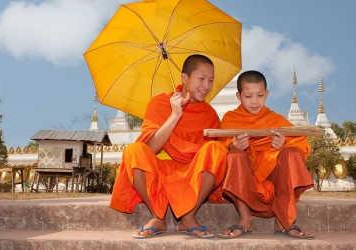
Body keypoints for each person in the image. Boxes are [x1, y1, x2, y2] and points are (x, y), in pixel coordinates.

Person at [110, 54, 227, 239]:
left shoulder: (209, 114)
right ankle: (158, 216)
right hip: (159, 171)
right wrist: (174, 116)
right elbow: (149, 149)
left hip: (190, 173)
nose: (207, 85)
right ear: (184, 78)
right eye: (201, 78)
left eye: (211, 80)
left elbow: (211, 157)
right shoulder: (159, 103)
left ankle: (188, 217)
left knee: (217, 150)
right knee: (134, 151)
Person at [215, 70, 315, 239]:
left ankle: (284, 220)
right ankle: (245, 219)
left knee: (291, 152)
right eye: (248, 96)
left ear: (266, 94)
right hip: (246, 181)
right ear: (239, 96)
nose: (255, 101)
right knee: (235, 156)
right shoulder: (231, 119)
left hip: (272, 180)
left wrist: (283, 144)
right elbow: (218, 149)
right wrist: (233, 146)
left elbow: (301, 143)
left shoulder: (274, 120)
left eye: (260, 95)